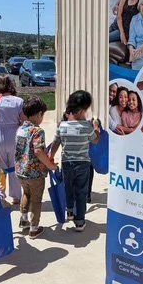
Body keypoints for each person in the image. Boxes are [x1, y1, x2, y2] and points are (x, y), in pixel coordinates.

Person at [49, 90, 100, 231]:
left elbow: (55, 143)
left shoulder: (62, 126)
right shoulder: (86, 127)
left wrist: (51, 156)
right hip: (83, 164)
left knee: (68, 188)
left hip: (67, 163)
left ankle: (70, 210)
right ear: (83, 110)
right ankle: (79, 221)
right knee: (81, 192)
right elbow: (95, 141)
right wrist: (96, 129)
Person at [15, 97, 57, 238]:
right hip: (35, 173)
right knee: (36, 199)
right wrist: (50, 165)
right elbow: (38, 151)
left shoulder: (20, 129)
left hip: (20, 171)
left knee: (26, 193)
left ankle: (24, 220)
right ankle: (34, 227)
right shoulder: (37, 131)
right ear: (39, 114)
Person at [0, 75, 25, 205]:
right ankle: (16, 196)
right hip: (14, 133)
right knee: (15, 165)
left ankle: (1, 192)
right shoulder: (19, 101)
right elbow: (22, 120)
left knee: (0, 166)